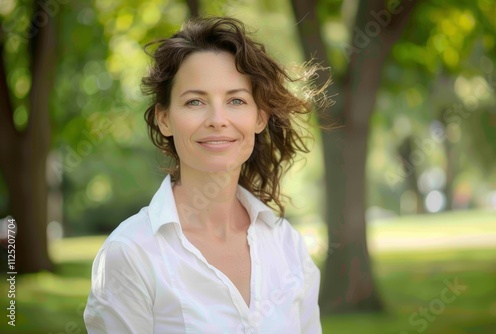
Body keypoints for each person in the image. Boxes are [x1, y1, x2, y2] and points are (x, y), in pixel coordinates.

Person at [84, 15, 328, 334]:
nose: (217, 119)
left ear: (259, 118)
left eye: (236, 100)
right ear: (164, 119)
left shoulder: (287, 245)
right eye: (195, 101)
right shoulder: (130, 253)